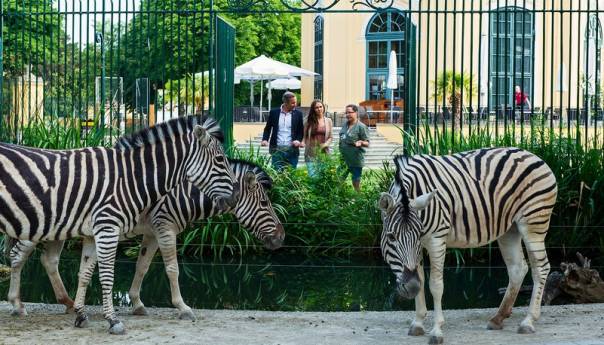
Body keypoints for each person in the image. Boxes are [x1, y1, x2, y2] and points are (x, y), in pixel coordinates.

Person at [261, 92, 304, 171]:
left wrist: (298, 140)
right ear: (285, 103)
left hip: (292, 149)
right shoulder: (274, 113)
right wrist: (265, 139)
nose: (295, 104)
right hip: (277, 149)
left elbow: (300, 130)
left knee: (291, 174)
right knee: (277, 174)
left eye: (295, 102)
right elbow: (267, 128)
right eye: (293, 103)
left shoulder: (298, 114)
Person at [338, 104, 369, 192]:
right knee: (338, 180)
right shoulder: (345, 125)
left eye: (350, 112)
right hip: (343, 159)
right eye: (346, 113)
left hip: (355, 160)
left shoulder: (361, 127)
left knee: (355, 183)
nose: (348, 114)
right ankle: (339, 198)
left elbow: (367, 143)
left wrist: (361, 142)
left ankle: (358, 199)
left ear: (356, 113)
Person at [303, 100, 333, 177]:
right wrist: (303, 143)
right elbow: (304, 136)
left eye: (320, 107)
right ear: (313, 109)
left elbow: (330, 137)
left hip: (324, 153)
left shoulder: (328, 121)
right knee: (313, 177)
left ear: (323, 107)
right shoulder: (308, 121)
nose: (319, 109)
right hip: (311, 153)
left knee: (323, 178)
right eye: (316, 107)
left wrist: (325, 144)